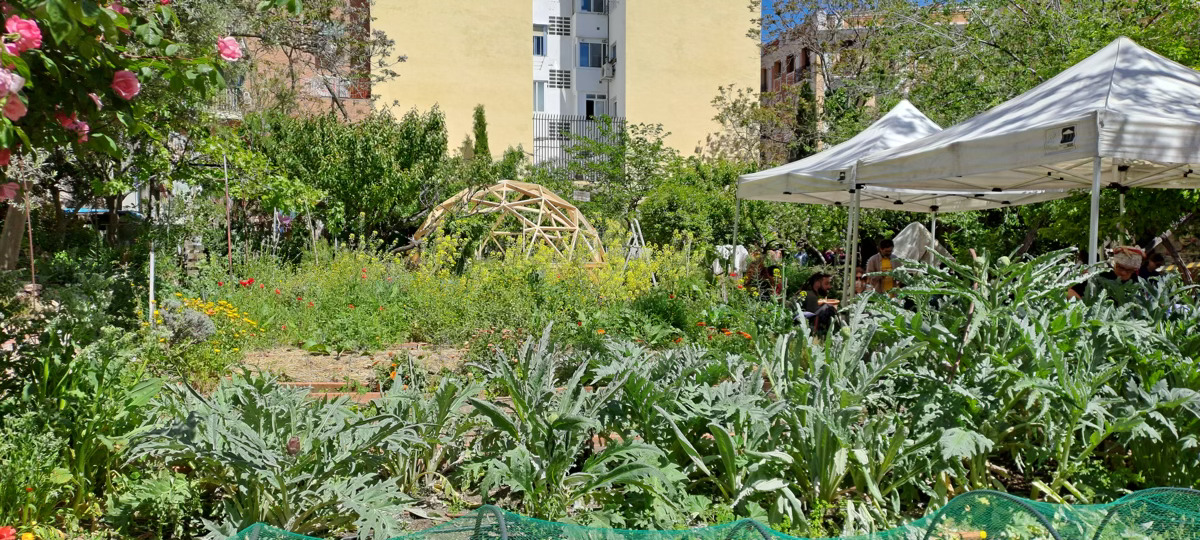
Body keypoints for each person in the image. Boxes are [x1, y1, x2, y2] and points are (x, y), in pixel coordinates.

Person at [1069, 246, 1143, 300]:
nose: (1123, 273)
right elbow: (1070, 292)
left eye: (1129, 270)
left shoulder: (1138, 285)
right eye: (1120, 267)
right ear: (1115, 264)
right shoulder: (1101, 276)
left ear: (1134, 270)